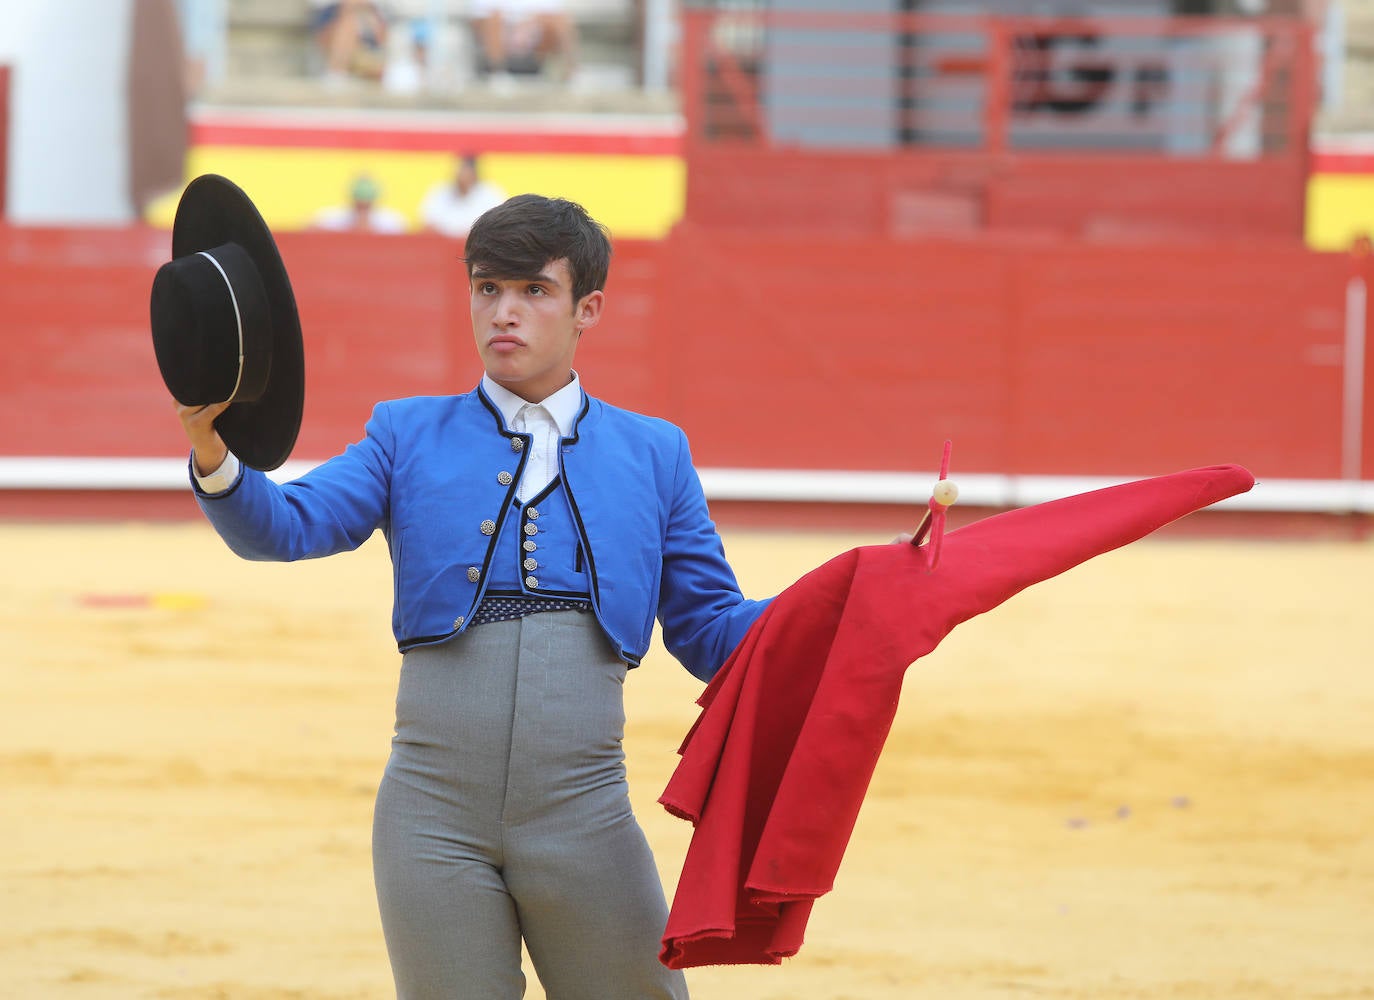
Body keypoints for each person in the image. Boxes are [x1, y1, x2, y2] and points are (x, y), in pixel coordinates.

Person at [172, 193, 777, 998]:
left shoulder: (656, 454)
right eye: (487, 288)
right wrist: (211, 450)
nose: (505, 312)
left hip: (585, 811)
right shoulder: (404, 433)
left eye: (533, 291)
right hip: (431, 815)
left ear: (586, 308)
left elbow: (711, 633)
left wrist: (843, 599)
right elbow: (285, 526)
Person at [469, 0, 579, 87]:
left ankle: (571, 74)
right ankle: (497, 72)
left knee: (560, 21)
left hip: (534, 37)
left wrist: (527, 26)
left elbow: (553, 12)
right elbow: (480, 18)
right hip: (502, 35)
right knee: (493, 20)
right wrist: (512, 32)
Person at [418, 154, 507, 238]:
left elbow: (497, 226)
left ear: (474, 173)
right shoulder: (440, 190)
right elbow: (427, 224)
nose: (462, 175)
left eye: (466, 171)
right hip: (441, 246)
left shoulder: (490, 193)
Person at [309, 0, 389, 84]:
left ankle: (358, 66)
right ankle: (337, 70)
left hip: (367, 17)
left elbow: (381, 35)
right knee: (349, 21)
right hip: (334, 13)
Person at [310, 173, 409, 233]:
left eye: (366, 206)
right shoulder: (334, 216)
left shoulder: (391, 220)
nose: (362, 210)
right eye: (359, 206)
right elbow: (311, 229)